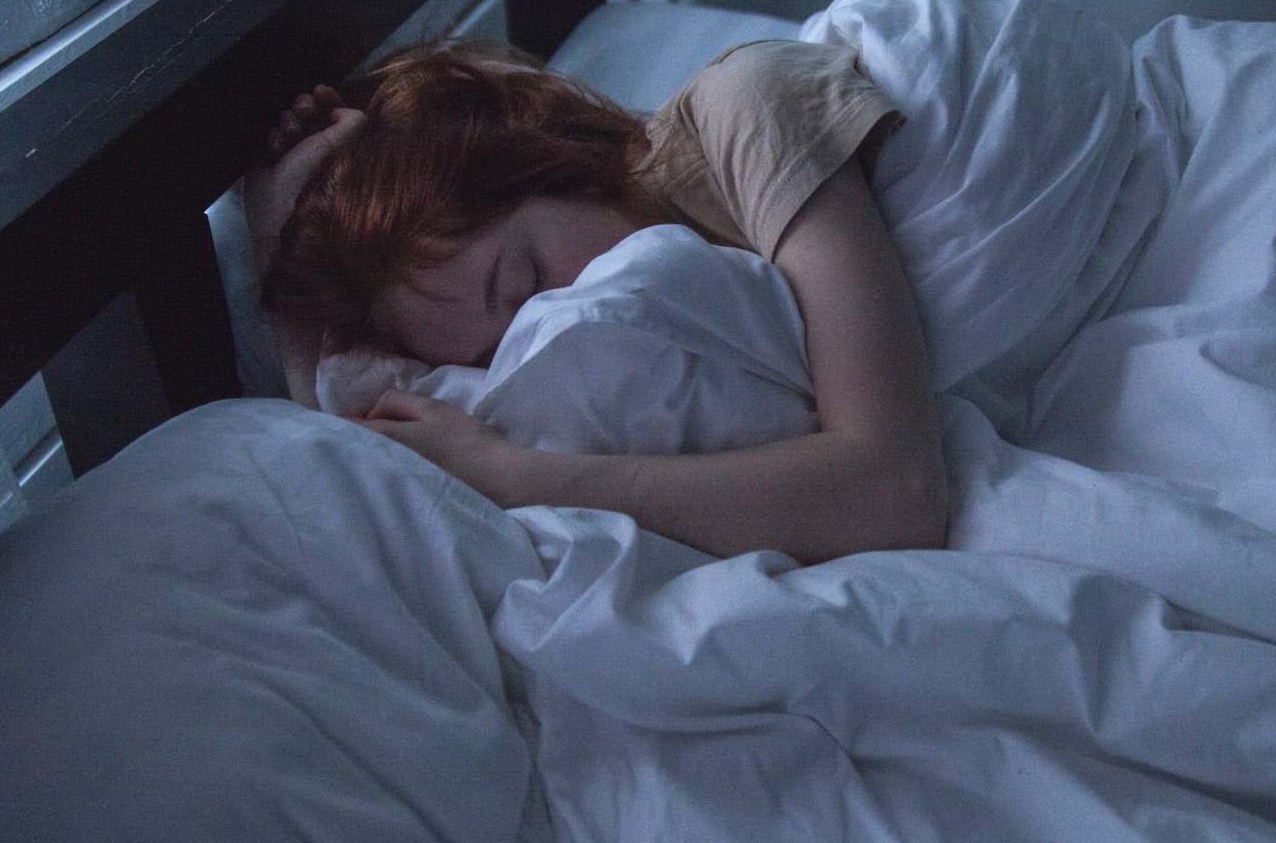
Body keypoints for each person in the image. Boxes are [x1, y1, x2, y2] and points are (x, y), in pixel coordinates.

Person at [244, 41, 948, 564]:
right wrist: (280, 260)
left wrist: (514, 478)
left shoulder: (748, 110)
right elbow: (355, 460)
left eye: (526, 283)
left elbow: (897, 490)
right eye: (494, 354)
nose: (556, 327)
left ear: (547, 157)